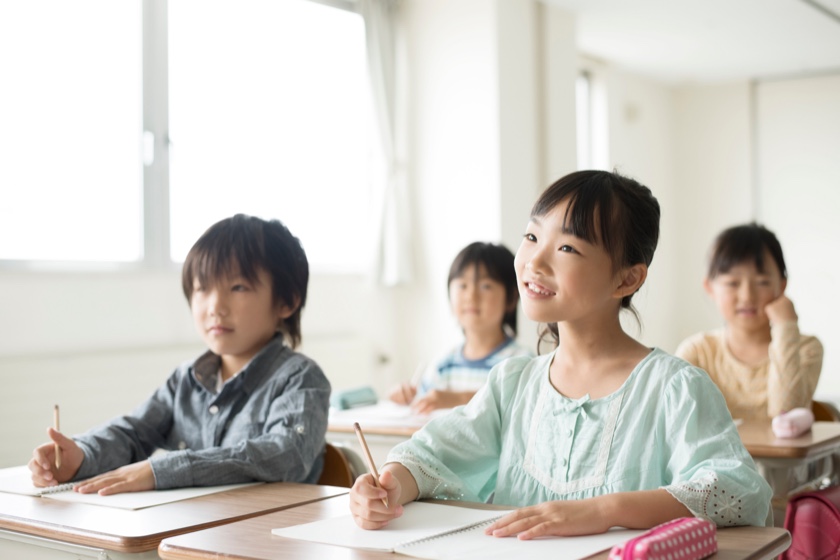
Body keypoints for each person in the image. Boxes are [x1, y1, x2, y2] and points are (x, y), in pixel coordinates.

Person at [350, 170, 772, 538]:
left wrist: (606, 511)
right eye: (532, 236)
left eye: (567, 248)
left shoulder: (674, 388)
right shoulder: (512, 384)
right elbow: (431, 456)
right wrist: (390, 485)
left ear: (627, 280)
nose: (535, 260)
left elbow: (737, 490)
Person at [28, 214, 331, 495]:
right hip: (195, 528)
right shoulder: (186, 379)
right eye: (202, 288)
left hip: (266, 531)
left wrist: (165, 469)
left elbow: (284, 454)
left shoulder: (300, 379)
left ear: (287, 301)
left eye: (238, 287)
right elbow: (134, 432)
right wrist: (82, 455)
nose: (215, 307)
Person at [675, 223, 823, 420]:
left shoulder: (806, 348)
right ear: (710, 288)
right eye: (732, 283)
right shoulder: (698, 352)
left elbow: (785, 415)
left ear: (782, 286)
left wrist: (786, 327)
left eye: (762, 282)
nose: (747, 296)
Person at [387, 242, 533, 414]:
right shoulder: (443, 364)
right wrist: (405, 397)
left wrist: (456, 399)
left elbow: (518, 406)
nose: (471, 296)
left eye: (485, 286)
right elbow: (421, 407)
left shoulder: (521, 362)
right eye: (462, 285)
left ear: (511, 297)